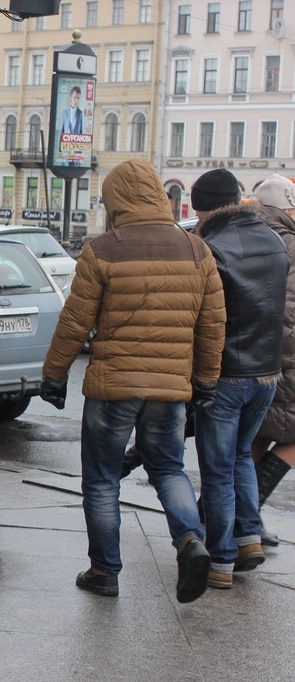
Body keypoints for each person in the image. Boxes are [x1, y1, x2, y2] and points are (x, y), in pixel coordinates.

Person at [40, 159, 225, 604]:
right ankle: (190, 541)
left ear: (116, 200)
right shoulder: (197, 249)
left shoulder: (104, 249)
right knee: (168, 469)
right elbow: (213, 323)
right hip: (170, 388)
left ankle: (104, 571)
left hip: (112, 388)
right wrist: (205, 381)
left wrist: (54, 374)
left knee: (102, 480)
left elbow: (75, 321)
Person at [190, 168, 288, 590]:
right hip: (268, 373)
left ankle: (222, 560)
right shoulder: (272, 239)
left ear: (204, 208)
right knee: (241, 458)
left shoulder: (211, 247)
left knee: (216, 470)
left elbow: (204, 319)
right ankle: (248, 538)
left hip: (228, 373)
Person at [250, 173, 295, 547]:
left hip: (245, 354)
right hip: (286, 357)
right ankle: (247, 515)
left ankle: (235, 514)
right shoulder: (290, 243)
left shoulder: (245, 235)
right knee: (287, 436)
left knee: (255, 437)